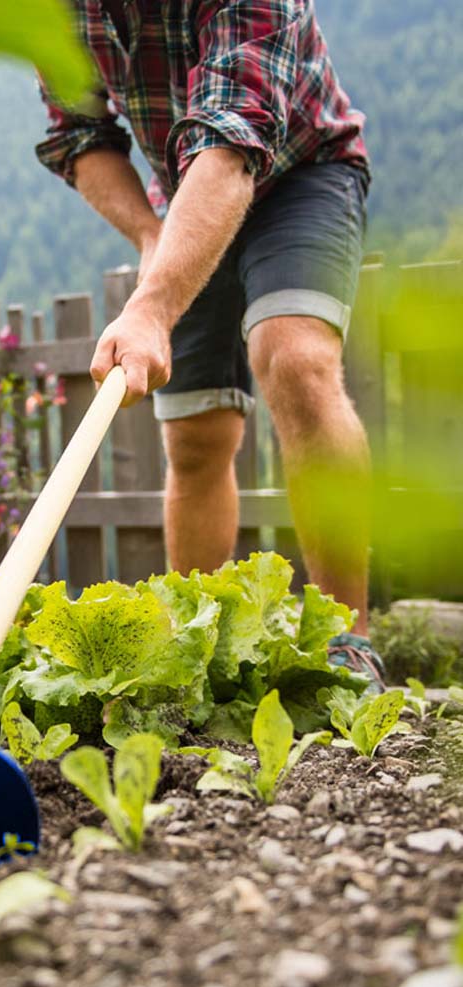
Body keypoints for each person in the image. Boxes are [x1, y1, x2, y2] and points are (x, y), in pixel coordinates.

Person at [36, 0, 384, 689]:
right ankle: (199, 647)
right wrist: (150, 237)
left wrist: (153, 305)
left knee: (294, 359)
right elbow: (80, 135)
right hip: (185, 194)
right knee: (194, 434)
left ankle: (351, 639)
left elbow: (232, 141)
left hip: (302, 172)